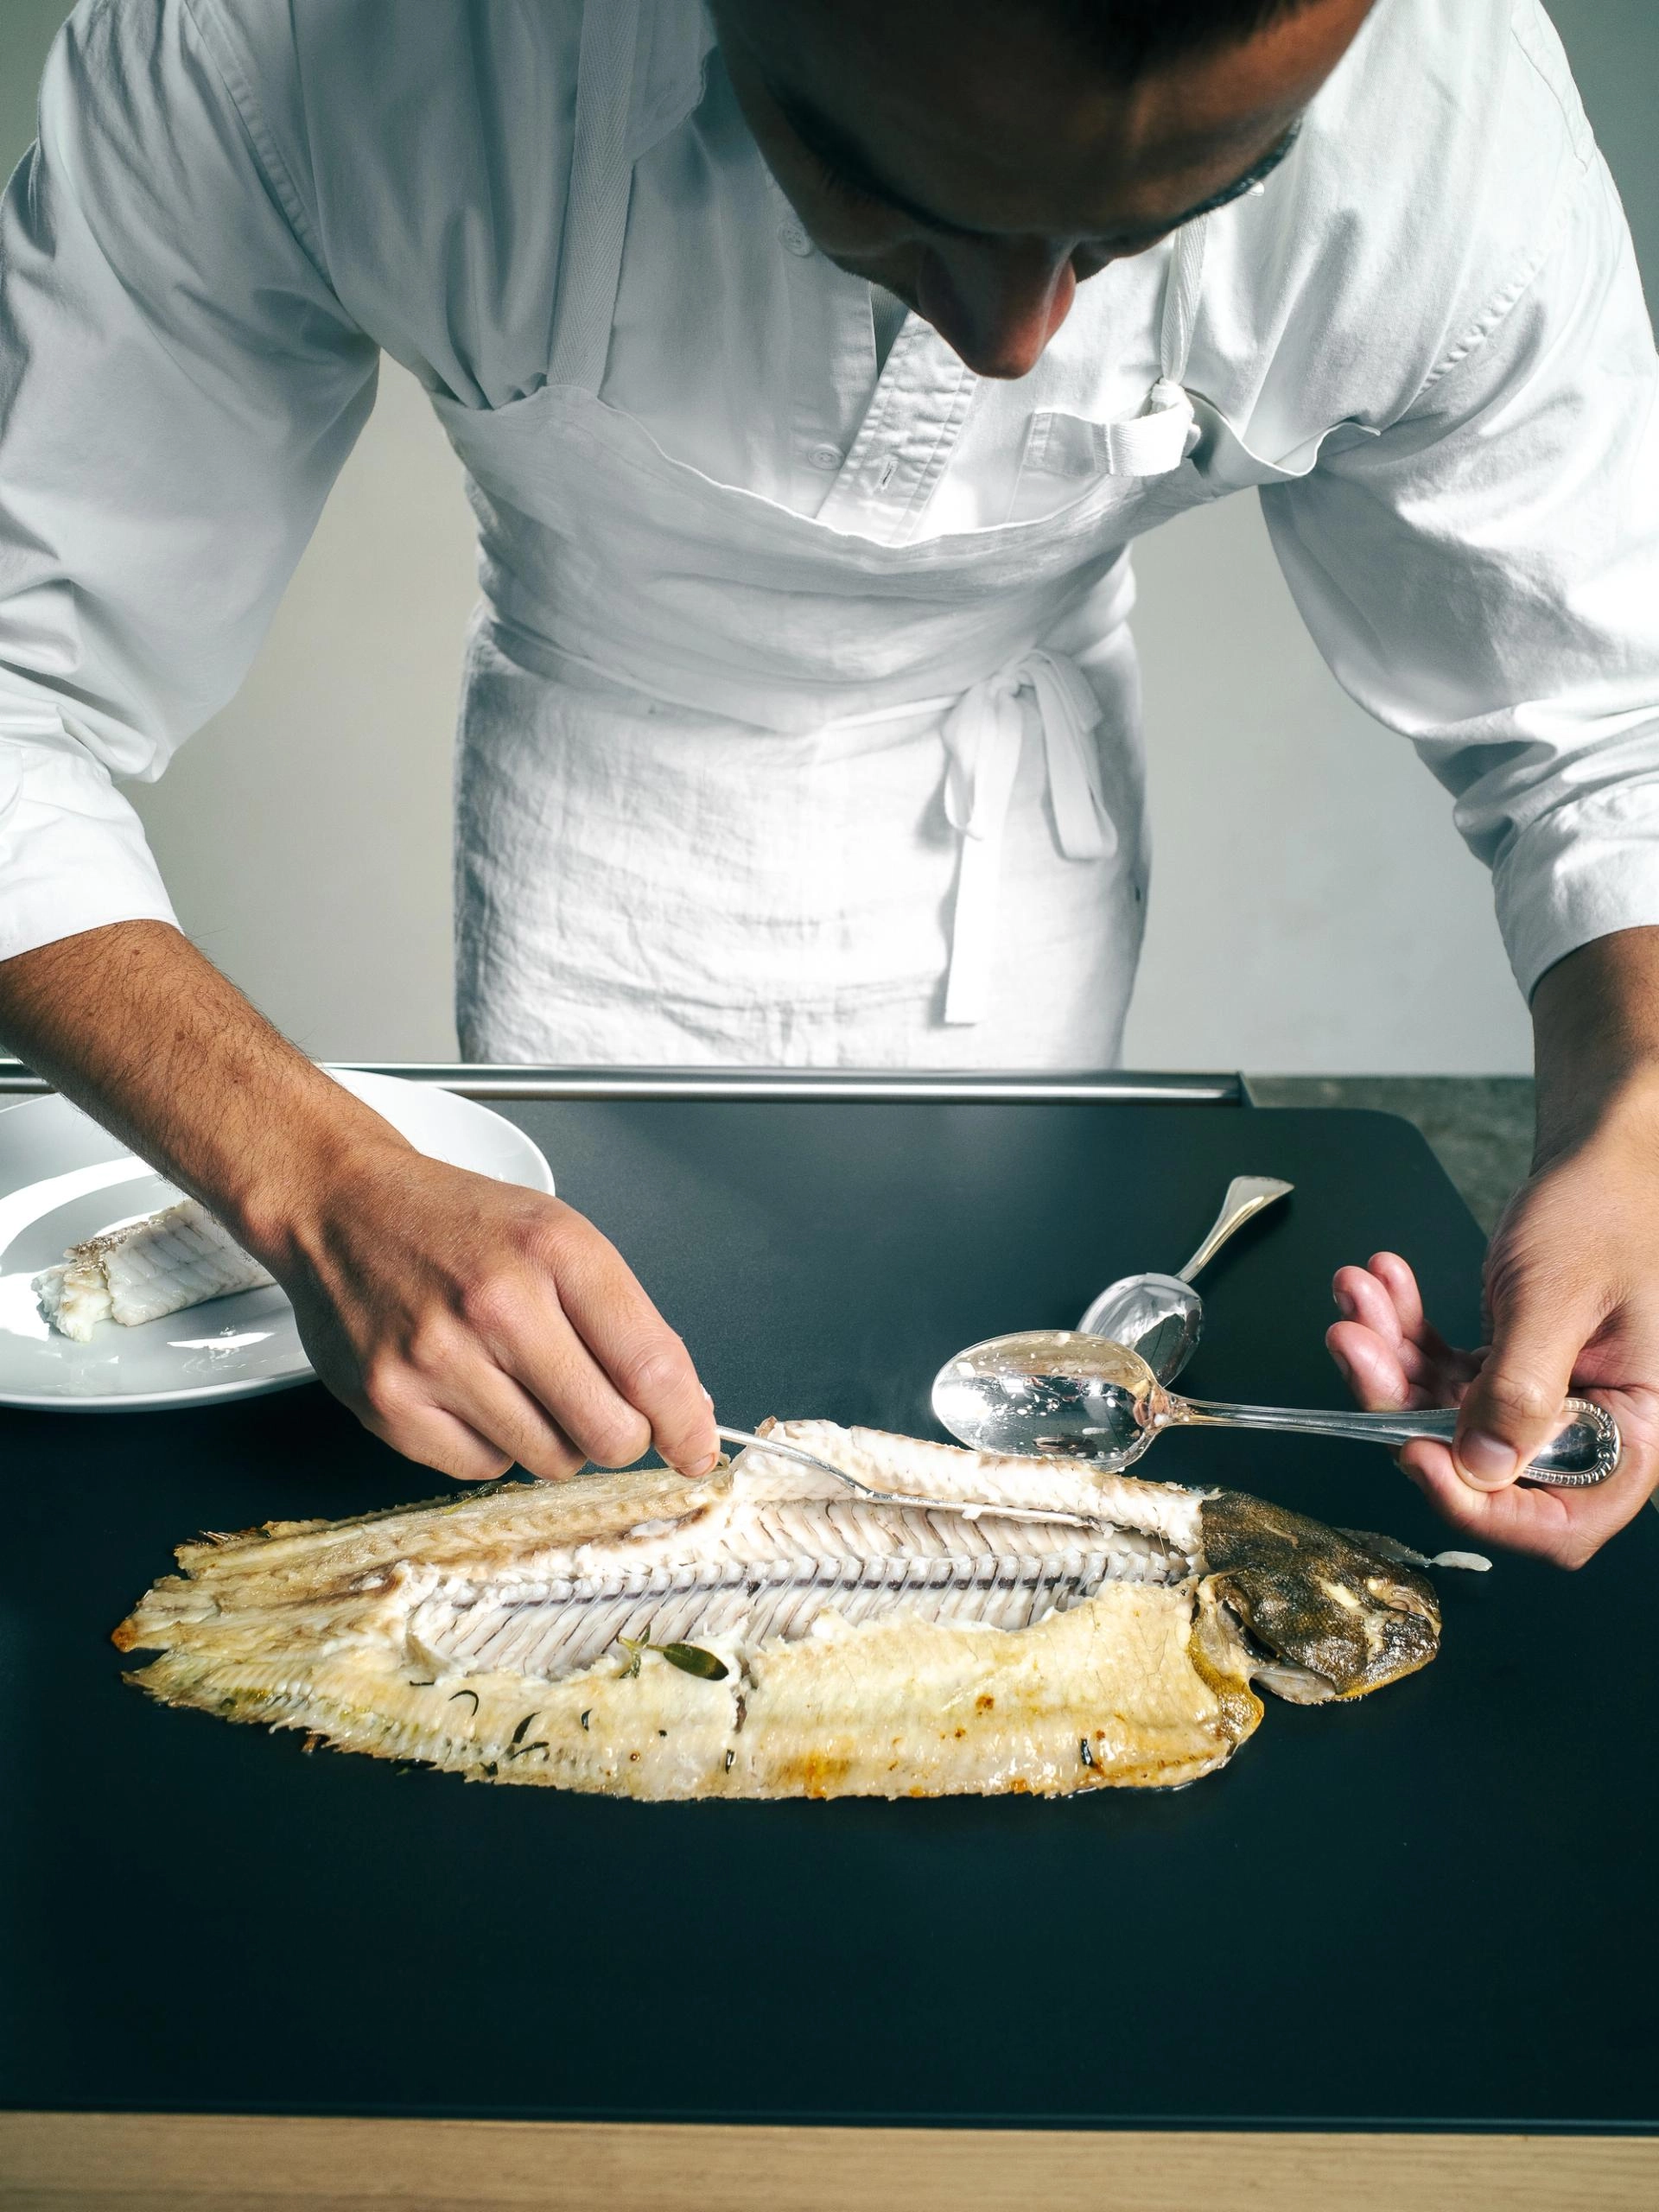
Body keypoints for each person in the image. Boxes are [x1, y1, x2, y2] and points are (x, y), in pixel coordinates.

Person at [0, 0, 1655, 1567]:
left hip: (1013, 872)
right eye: (886, 189)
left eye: (1151, 222)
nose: (1014, 341)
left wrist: (1636, 1117)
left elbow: (1609, 737)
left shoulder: (1455, 132)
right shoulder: (291, 44)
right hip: (594, 832)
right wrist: (311, 1174)